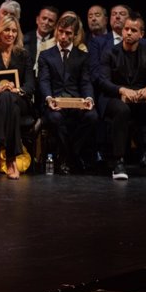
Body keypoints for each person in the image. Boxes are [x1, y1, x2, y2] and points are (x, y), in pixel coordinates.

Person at [99, 13, 146, 180]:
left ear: (141, 34)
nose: (129, 33)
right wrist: (122, 90)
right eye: (126, 29)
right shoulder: (110, 53)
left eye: (133, 30)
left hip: (140, 99)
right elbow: (103, 82)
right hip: (115, 98)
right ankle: (119, 161)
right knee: (122, 110)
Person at [38, 14, 97, 174]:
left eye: (68, 33)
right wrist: (49, 98)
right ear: (56, 31)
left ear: (75, 35)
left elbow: (85, 82)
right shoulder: (46, 55)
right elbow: (43, 81)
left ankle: (69, 153)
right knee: (56, 118)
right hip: (54, 103)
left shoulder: (82, 56)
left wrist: (89, 99)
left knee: (92, 116)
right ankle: (68, 157)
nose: (63, 36)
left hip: (75, 102)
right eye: (61, 31)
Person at [0, 15, 36, 179]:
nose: (10, 34)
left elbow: (30, 85)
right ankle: (11, 161)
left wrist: (16, 90)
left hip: (20, 99)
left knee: (9, 97)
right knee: (7, 100)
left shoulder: (24, 55)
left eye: (14, 31)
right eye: (7, 30)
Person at [23, 5, 59, 74]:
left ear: (55, 25)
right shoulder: (25, 39)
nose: (46, 22)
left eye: (50, 20)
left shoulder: (57, 43)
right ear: (37, 20)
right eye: (44, 18)